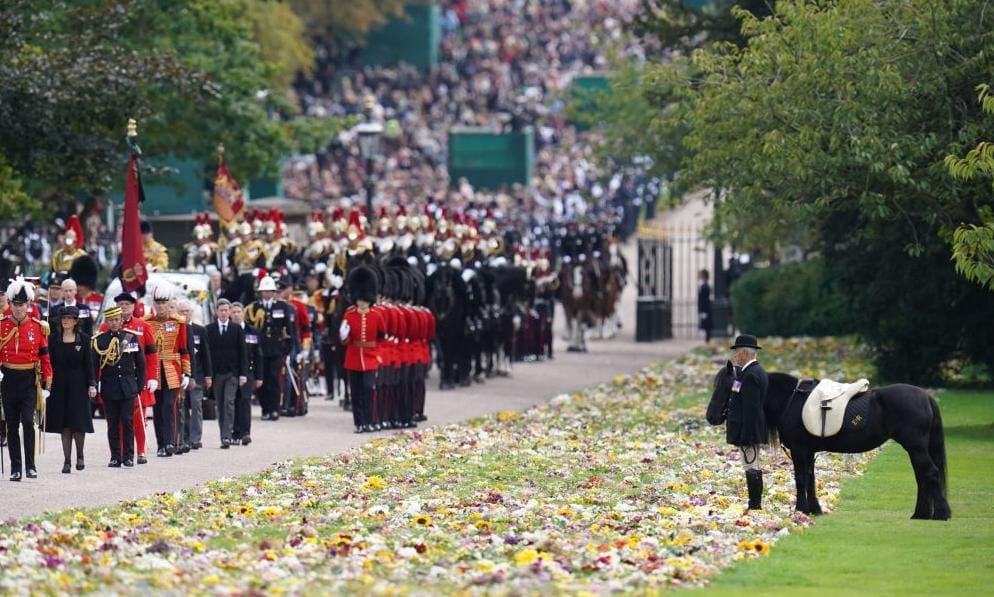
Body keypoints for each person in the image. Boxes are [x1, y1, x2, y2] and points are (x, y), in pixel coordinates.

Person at [0, 278, 53, 481]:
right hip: (8, 378)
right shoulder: (2, 325)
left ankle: (30, 466)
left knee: (27, 422)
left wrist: (47, 383)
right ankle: (16, 468)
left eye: (22, 304)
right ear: (10, 304)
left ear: (28, 305)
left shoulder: (38, 327)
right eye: (15, 304)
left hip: (29, 380)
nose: (18, 308)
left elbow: (45, 357)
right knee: (11, 425)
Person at [100, 293, 159, 464]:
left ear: (133, 306)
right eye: (121, 304)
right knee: (114, 421)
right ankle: (117, 455)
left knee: (137, 418)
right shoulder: (105, 328)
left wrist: (151, 377)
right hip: (112, 381)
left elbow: (150, 354)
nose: (124, 307)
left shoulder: (142, 326)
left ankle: (139, 451)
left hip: (132, 380)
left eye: (127, 304)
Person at [44, 306, 97, 473]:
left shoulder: (84, 339)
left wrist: (92, 383)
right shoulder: (53, 339)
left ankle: (80, 455)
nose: (66, 320)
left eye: (69, 318)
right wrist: (46, 383)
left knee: (78, 422)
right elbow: (48, 362)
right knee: (64, 423)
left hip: (79, 385)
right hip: (59, 385)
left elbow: (89, 364)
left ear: (75, 321)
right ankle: (66, 460)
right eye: (63, 318)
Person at [92, 306, 146, 467]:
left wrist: (139, 384)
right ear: (106, 322)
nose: (114, 323)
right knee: (113, 422)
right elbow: (94, 366)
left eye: (116, 320)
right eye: (110, 320)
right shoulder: (99, 340)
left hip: (128, 386)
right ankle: (115, 456)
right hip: (110, 387)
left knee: (127, 420)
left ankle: (128, 455)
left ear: (121, 320)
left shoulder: (131, 337)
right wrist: (94, 384)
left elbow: (141, 363)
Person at [145, 285, 191, 457]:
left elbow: (184, 349)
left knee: (169, 405)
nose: (161, 306)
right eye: (158, 302)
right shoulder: (147, 322)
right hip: (155, 370)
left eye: (164, 302)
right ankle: (161, 444)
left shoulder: (179, 322)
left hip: (173, 368)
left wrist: (187, 373)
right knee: (157, 408)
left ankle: (171, 441)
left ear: (169, 303)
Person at [726, 334, 769, 511]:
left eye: (737, 352)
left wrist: (746, 436)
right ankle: (755, 503)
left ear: (744, 353)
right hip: (750, 429)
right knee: (753, 465)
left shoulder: (750, 375)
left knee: (751, 466)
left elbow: (751, 409)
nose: (736, 356)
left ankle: (755, 504)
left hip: (749, 431)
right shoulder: (754, 371)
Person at [340, 266, 385, 433]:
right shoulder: (349, 314)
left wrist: (378, 355)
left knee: (368, 389)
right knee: (356, 392)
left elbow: (381, 337)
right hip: (353, 358)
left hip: (370, 357)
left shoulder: (376, 315)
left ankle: (369, 420)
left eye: (364, 300)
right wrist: (344, 335)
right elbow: (345, 340)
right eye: (359, 299)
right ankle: (358, 422)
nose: (361, 302)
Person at [245, 276, 297, 421]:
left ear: (274, 292)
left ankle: (275, 409)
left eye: (270, 291)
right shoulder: (253, 308)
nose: (267, 293)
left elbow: (289, 329)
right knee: (262, 379)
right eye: (264, 291)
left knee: (274, 378)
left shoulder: (282, 306)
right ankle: (265, 409)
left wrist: (287, 348)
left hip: (276, 348)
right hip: (260, 349)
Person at [206, 299, 247, 448]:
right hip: (217, 374)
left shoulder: (236, 329)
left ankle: (227, 435)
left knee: (229, 403)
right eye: (221, 310)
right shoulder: (209, 329)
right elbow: (207, 353)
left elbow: (243, 352)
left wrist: (243, 374)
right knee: (220, 405)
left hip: (232, 373)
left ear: (229, 312)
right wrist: (208, 374)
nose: (224, 313)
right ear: (216, 312)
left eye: (226, 310)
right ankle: (223, 433)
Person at [177, 300, 212, 452]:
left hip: (197, 374)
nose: (185, 314)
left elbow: (206, 354)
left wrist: (208, 375)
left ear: (192, 313)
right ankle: (184, 437)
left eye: (187, 311)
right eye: (182, 311)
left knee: (196, 406)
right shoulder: (176, 329)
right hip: (180, 375)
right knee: (182, 407)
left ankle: (195, 438)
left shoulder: (200, 330)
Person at [230, 302, 262, 445]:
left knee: (245, 401)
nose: (236, 314)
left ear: (243, 313)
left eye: (238, 312)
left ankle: (245, 432)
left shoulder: (252, 331)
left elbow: (258, 355)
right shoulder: (227, 330)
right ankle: (235, 432)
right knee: (233, 402)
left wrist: (259, 376)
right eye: (234, 312)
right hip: (232, 372)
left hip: (248, 372)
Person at [698, 269, 713, 343]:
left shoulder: (705, 286)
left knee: (707, 325)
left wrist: (702, 310)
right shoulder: (704, 285)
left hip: (705, 308)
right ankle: (707, 340)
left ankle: (708, 340)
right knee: (706, 325)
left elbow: (703, 299)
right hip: (704, 308)